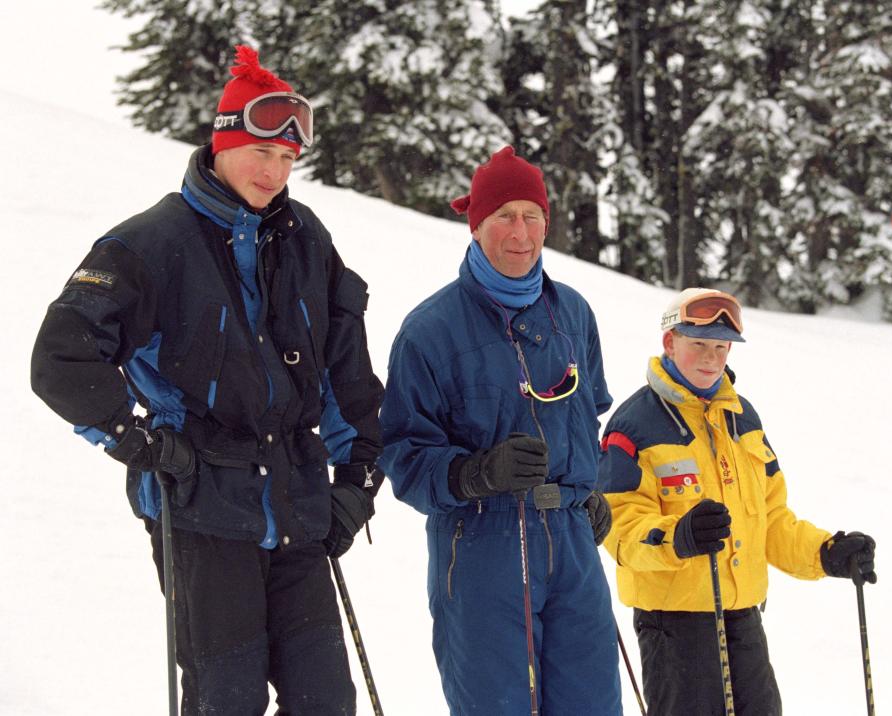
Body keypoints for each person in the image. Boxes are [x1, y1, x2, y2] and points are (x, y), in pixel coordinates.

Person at [31, 45, 385, 714]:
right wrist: (132, 438)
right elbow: (60, 356)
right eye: (261, 153)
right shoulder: (149, 243)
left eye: (288, 159)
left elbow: (348, 372)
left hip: (298, 505)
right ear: (221, 144)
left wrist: (357, 480)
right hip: (199, 509)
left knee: (327, 702)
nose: (274, 172)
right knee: (228, 699)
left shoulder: (306, 238)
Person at [378, 146, 623, 715]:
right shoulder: (429, 332)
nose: (521, 231)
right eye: (504, 217)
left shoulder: (575, 315)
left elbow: (590, 419)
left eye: (531, 215)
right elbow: (405, 457)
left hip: (571, 542)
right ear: (477, 225)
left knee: (593, 705)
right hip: (481, 542)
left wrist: (589, 493)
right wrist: (474, 472)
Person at [598, 287, 877, 715]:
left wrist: (827, 553)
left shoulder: (742, 418)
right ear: (670, 343)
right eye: (698, 345)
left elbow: (770, 519)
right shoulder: (635, 424)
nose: (711, 359)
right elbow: (617, 529)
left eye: (720, 348)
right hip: (674, 625)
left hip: (743, 616)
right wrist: (679, 538)